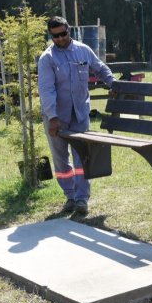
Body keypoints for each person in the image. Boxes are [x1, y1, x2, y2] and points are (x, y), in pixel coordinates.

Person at [38, 16, 114, 215]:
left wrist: (114, 84)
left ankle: (82, 199)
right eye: (55, 36)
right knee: (61, 160)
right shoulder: (47, 58)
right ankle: (70, 196)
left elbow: (100, 68)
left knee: (82, 158)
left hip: (80, 114)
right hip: (56, 118)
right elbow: (47, 90)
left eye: (63, 34)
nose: (60, 39)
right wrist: (52, 117)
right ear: (51, 35)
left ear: (69, 31)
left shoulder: (83, 50)